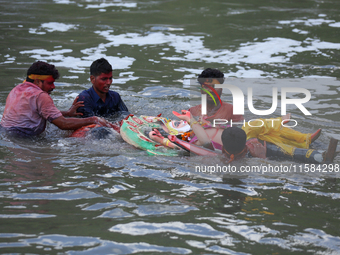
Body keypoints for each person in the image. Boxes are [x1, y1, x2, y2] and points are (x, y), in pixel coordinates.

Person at [171, 110, 334, 164]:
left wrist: (202, 121)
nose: (180, 124)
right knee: (256, 126)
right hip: (240, 142)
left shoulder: (200, 127)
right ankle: (285, 127)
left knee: (266, 130)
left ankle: (304, 139)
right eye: (177, 125)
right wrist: (191, 121)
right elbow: (206, 140)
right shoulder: (195, 141)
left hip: (239, 137)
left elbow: (211, 127)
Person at [0, 61, 110, 137]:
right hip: (24, 138)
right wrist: (94, 119)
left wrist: (67, 113)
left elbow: (35, 113)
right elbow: (63, 125)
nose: (53, 87)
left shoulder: (16, 90)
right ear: (38, 81)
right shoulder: (40, 95)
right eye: (50, 83)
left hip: (5, 133)